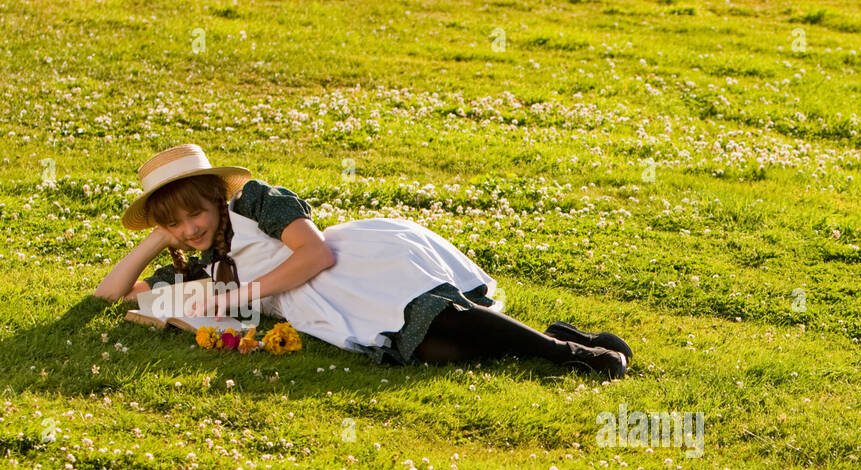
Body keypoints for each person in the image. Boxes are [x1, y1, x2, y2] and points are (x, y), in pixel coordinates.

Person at [93, 144, 632, 377]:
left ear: (215, 194)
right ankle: (571, 340)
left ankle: (572, 355)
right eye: (177, 223)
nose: (192, 227)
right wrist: (155, 241)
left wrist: (240, 296)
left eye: (195, 212)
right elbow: (109, 297)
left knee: (443, 318)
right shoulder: (196, 262)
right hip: (319, 307)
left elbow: (316, 252)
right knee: (440, 352)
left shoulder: (255, 202)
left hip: (347, 270)